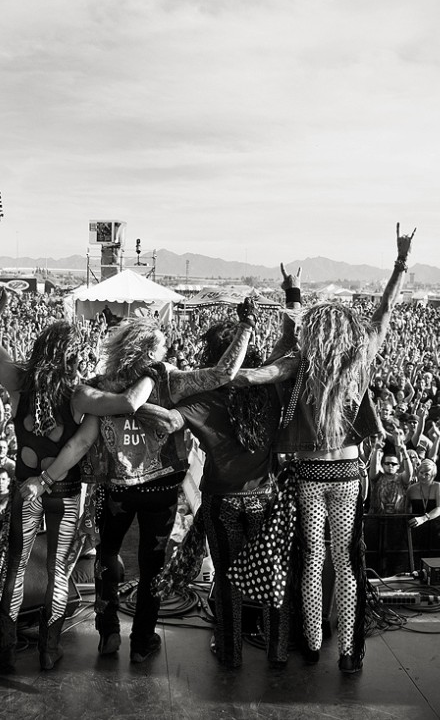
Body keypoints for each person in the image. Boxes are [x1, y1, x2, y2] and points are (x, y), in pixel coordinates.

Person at [0, 273, 159, 673]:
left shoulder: (18, 380)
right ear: (72, 354)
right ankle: (48, 650)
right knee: (56, 571)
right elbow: (126, 404)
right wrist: (153, 371)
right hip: (66, 493)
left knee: (16, 566)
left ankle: (3, 646)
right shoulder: (80, 395)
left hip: (26, 488)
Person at [135, 266, 301, 668]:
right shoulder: (268, 390)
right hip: (265, 498)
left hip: (221, 501)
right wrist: (292, 295)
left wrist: (136, 404)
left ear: (213, 356)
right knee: (272, 575)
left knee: (228, 578)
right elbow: (289, 346)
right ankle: (278, 651)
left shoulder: (202, 399)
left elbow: (170, 423)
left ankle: (230, 652)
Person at [271, 224, 415, 673]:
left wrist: (293, 294)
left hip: (312, 474)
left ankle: (313, 642)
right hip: (348, 474)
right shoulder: (360, 359)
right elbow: (386, 309)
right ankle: (350, 653)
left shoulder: (304, 364)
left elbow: (285, 338)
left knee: (312, 558)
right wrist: (400, 264)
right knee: (347, 561)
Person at [87, 304, 257, 664]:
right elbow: (224, 373)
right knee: (153, 566)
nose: (167, 354)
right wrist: (246, 325)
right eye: (162, 348)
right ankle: (142, 642)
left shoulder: (102, 384)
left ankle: (108, 632)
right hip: (160, 489)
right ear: (150, 351)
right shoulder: (169, 378)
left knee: (106, 556)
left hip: (116, 488)